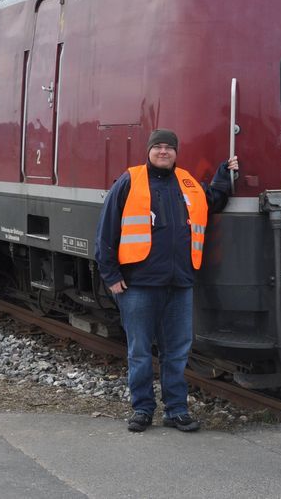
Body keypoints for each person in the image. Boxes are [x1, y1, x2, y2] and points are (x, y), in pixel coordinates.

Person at [96, 128, 238, 433]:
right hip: (139, 284)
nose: (164, 152)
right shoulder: (129, 181)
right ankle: (143, 409)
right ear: (148, 151)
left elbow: (213, 199)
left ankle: (176, 410)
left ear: (176, 152)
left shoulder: (187, 184)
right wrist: (111, 275)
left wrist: (225, 173)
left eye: (169, 148)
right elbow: (106, 230)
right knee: (140, 350)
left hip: (179, 284)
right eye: (158, 147)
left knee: (177, 351)